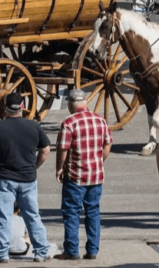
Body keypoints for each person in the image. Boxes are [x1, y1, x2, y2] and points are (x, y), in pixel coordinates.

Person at [0, 92, 50, 263]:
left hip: (4, 178)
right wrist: (34, 167)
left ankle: (1, 253)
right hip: (27, 178)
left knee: (4, 216)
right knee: (32, 215)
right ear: (23, 107)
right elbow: (45, 150)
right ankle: (41, 251)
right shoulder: (34, 126)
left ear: (5, 108)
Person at [55, 90, 113, 261]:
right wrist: (99, 160)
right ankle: (93, 250)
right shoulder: (100, 120)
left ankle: (72, 251)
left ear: (70, 105)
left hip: (75, 176)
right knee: (93, 212)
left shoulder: (69, 123)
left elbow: (62, 149)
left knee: (72, 212)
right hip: (96, 175)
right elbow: (108, 144)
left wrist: (59, 168)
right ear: (85, 103)